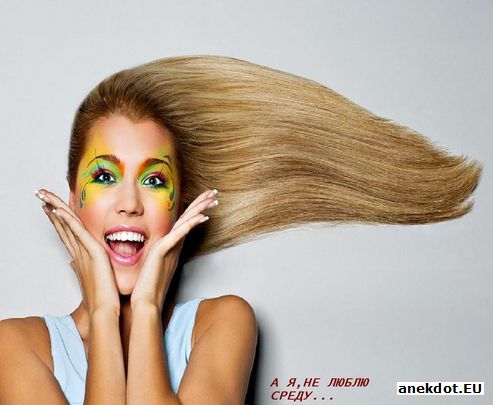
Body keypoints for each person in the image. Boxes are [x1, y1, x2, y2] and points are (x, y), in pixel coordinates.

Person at [0, 55, 482, 404]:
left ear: (180, 206)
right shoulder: (16, 347)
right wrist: (104, 312)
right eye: (105, 176)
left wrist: (144, 311)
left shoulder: (223, 322)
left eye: (155, 180)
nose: (129, 204)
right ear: (72, 199)